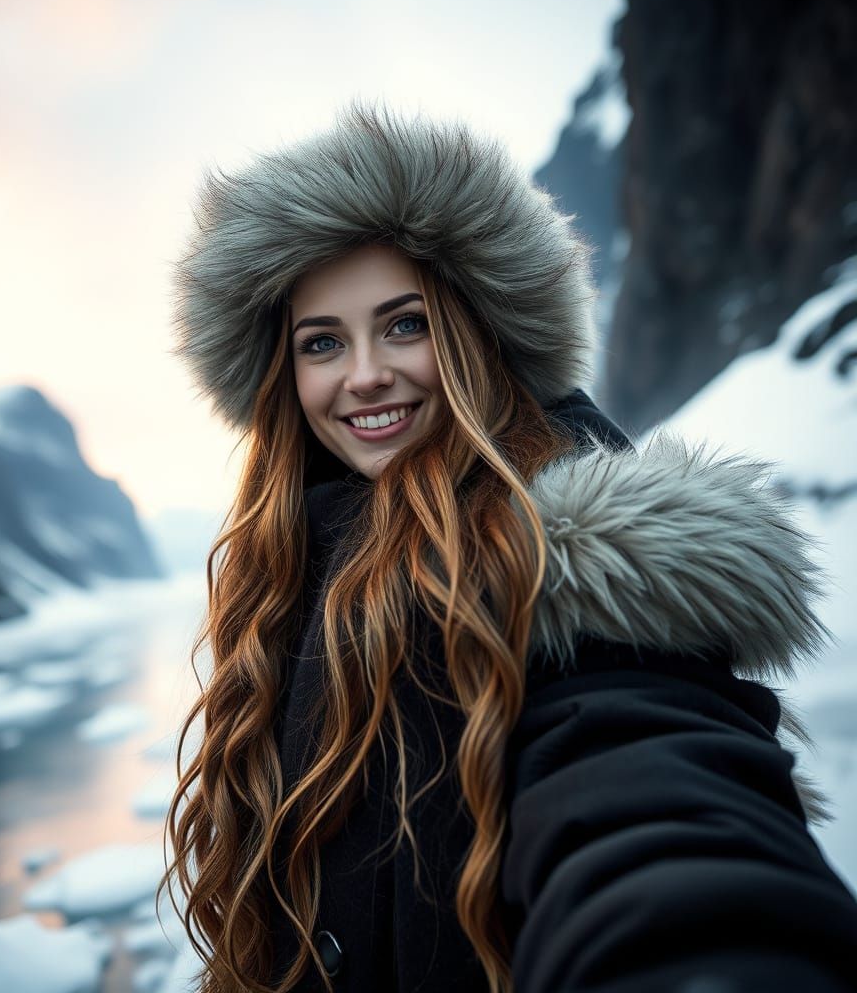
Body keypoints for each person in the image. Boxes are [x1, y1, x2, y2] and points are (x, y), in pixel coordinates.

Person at [159, 100, 857, 993]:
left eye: (405, 323)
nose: (365, 372)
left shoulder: (561, 559)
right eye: (322, 342)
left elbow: (643, 791)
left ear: (479, 334)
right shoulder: (289, 572)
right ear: (282, 375)